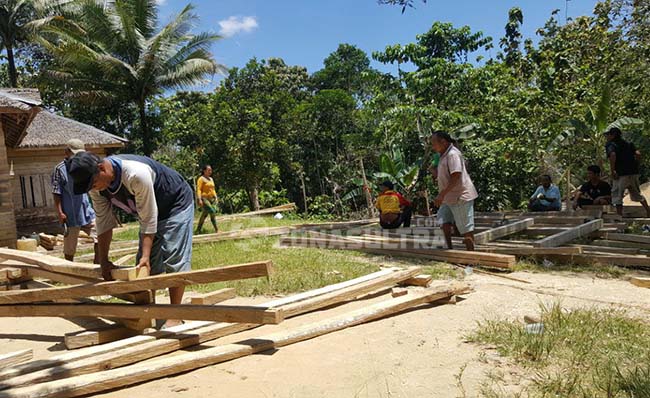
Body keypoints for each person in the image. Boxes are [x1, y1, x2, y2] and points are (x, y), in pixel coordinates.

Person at [68, 152, 194, 328]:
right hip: (148, 213)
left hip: (174, 203)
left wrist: (145, 256)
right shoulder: (97, 189)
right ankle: (150, 313)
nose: (93, 189)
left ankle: (175, 315)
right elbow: (104, 224)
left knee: (173, 257)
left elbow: (148, 218)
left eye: (94, 183)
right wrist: (103, 261)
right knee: (143, 266)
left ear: (102, 168)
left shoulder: (136, 174)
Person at [51, 139, 98, 263]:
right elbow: (56, 193)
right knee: (70, 247)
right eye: (74, 153)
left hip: (86, 210)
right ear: (66, 152)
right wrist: (60, 212)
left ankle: (98, 264)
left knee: (99, 235)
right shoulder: (59, 169)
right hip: (70, 213)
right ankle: (69, 269)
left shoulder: (84, 165)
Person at [431, 131, 478, 251]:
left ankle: (471, 255)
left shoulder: (452, 154)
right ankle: (449, 249)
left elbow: (456, 175)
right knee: (443, 221)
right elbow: (444, 175)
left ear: (443, 142)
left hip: (460, 196)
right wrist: (434, 172)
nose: (433, 146)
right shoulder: (443, 155)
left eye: (434, 143)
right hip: (448, 197)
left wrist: (441, 194)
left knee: (466, 228)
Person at [605, 127, 650, 217]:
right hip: (633, 172)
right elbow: (638, 154)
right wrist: (635, 164)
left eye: (608, 135)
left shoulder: (611, 144)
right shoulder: (628, 143)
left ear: (612, 135)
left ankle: (619, 216)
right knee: (637, 194)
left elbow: (613, 155)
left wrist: (613, 170)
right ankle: (648, 211)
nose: (607, 137)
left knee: (617, 195)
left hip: (621, 174)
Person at [196, 165, 219, 234]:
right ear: (204, 171)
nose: (210, 171)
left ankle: (198, 230)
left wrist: (216, 197)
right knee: (212, 211)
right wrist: (199, 199)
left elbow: (213, 189)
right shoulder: (201, 179)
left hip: (211, 199)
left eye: (211, 170)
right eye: (208, 170)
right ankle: (217, 229)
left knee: (204, 214)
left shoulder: (211, 179)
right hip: (204, 199)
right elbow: (199, 189)